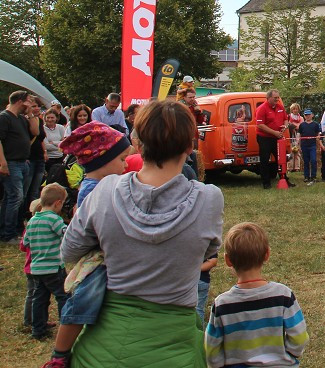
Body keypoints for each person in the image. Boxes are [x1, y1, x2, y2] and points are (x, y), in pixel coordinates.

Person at [59, 100, 224, 368]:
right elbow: (206, 251)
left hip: (99, 351)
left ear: (137, 144)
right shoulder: (209, 198)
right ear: (189, 146)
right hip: (175, 350)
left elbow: (69, 251)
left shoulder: (105, 189)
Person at [45, 121, 131, 367]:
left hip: (106, 253)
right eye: (122, 159)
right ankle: (60, 354)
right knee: (83, 301)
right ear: (102, 160)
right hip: (97, 259)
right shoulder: (93, 189)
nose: (125, 165)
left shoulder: (103, 183)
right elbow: (89, 229)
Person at [204, 222, 309, 368]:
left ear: (228, 260)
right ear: (267, 254)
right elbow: (299, 336)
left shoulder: (222, 304)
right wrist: (288, 356)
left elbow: (212, 348)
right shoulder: (283, 296)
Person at [24, 183, 70, 340]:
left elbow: (25, 243)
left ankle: (38, 329)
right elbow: (68, 235)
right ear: (57, 203)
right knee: (63, 296)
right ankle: (66, 326)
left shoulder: (32, 221)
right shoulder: (54, 219)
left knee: (40, 299)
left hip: (37, 268)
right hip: (54, 267)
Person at [1, 90, 41, 244]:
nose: (31, 104)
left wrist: (31, 114)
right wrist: (3, 162)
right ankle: (8, 234)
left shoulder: (21, 119)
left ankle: (10, 229)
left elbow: (35, 132)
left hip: (23, 163)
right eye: (28, 101)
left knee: (13, 198)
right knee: (15, 197)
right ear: (20, 101)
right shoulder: (4, 118)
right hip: (11, 163)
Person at [254, 89, 287, 189]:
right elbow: (260, 125)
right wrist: (274, 133)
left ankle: (284, 178)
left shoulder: (280, 107)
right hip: (265, 138)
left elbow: (285, 119)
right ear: (268, 98)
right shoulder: (262, 108)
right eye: (275, 98)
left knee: (281, 158)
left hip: (277, 137)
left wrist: (284, 127)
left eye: (278, 97)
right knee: (265, 160)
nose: (277, 99)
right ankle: (266, 182)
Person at [296, 109, 320, 185]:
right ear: (304, 116)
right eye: (306, 115)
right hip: (304, 145)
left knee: (313, 160)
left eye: (309, 115)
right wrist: (298, 144)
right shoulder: (302, 125)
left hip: (312, 145)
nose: (308, 116)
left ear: (312, 115)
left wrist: (318, 138)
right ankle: (306, 176)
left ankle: (313, 176)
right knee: (306, 161)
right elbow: (299, 135)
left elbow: (318, 133)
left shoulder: (315, 124)